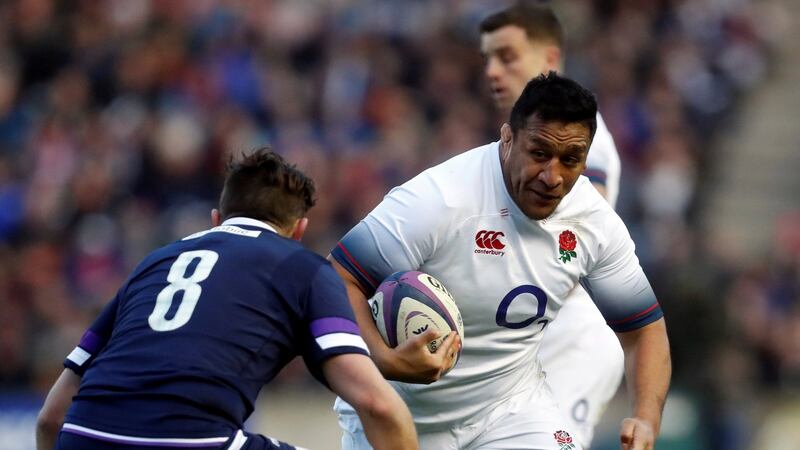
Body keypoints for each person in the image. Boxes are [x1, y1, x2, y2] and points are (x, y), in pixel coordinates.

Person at [330, 73, 670, 450]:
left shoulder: (593, 223)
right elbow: (337, 279)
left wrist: (645, 417)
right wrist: (385, 360)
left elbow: (644, 331)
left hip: (510, 410)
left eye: (570, 160)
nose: (552, 176)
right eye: (539, 153)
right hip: (400, 414)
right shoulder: (440, 199)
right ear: (508, 139)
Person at [36, 149, 419, 450]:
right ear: (299, 230)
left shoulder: (153, 263)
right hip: (193, 440)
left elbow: (51, 417)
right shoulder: (304, 267)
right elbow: (378, 406)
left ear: (217, 219)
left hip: (83, 436)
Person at [479, 3, 624, 446]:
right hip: (525, 347)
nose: (491, 72)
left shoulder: (579, 141)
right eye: (487, 58)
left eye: (507, 57)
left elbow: (580, 225)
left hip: (566, 345)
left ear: (549, 62)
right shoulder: (516, 143)